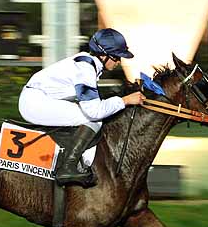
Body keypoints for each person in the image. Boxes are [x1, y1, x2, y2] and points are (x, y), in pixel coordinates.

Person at [19, 28, 145, 186]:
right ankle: (68, 167)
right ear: (103, 55)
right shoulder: (85, 69)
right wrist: (125, 100)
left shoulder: (88, 63)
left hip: (38, 98)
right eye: (116, 56)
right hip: (35, 103)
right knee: (94, 120)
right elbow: (94, 111)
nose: (119, 61)